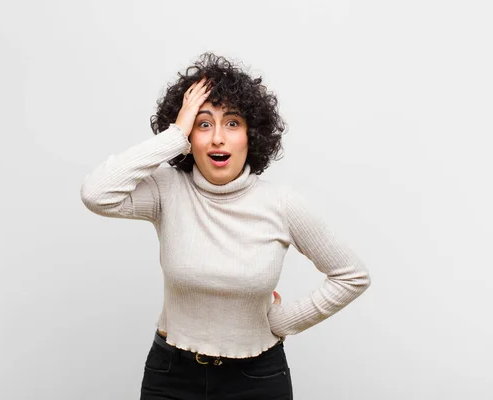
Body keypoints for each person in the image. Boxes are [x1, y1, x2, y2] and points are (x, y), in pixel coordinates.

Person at [80, 53, 371, 400]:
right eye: (204, 124)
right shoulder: (167, 190)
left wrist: (284, 322)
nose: (218, 138)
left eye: (232, 123)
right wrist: (175, 134)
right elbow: (97, 194)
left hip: (256, 378)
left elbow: (351, 275)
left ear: (251, 135)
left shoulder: (281, 204)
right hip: (172, 375)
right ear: (190, 136)